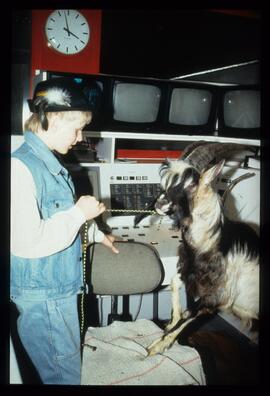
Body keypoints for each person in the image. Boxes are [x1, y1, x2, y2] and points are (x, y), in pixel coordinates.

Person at [10, 77, 119, 385]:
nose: (80, 137)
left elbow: (53, 216)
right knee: (65, 377)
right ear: (54, 119)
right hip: (45, 298)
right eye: (77, 128)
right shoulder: (20, 168)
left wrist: (97, 234)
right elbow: (26, 243)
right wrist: (78, 213)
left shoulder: (48, 164)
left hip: (55, 291)